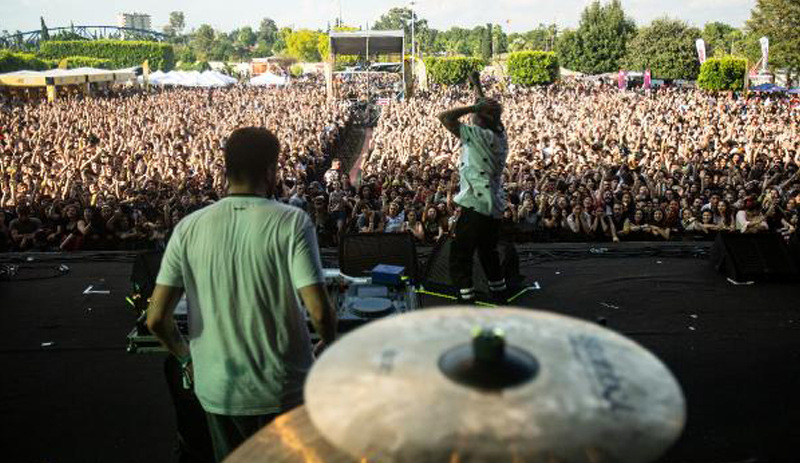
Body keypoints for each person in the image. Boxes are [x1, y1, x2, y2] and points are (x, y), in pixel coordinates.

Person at [146, 127, 337, 462]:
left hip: (218, 389)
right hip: (284, 389)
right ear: (270, 171)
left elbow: (156, 318)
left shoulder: (188, 227)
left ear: (225, 171)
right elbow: (319, 312)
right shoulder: (291, 221)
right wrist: (326, 342)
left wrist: (186, 358)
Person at [437, 71, 509, 303]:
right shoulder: (499, 133)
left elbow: (445, 117)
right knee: (488, 253)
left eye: (476, 115)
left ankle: (466, 300)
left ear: (480, 119)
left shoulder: (479, 136)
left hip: (476, 205)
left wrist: (472, 108)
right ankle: (499, 295)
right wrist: (477, 86)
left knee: (461, 255)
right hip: (493, 206)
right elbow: (488, 112)